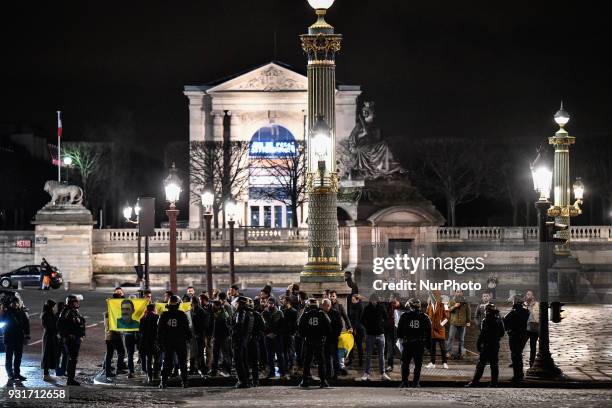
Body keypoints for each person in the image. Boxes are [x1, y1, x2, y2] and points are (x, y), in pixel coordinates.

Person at [467, 304, 505, 387]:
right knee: (494, 365)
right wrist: (496, 338)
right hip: (495, 344)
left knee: (481, 364)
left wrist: (479, 343)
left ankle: (475, 382)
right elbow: (502, 332)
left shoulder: (485, 320)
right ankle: (494, 383)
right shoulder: (499, 319)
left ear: (487, 311)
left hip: (486, 345)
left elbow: (483, 333)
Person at [158, 295, 191, 388]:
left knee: (167, 362)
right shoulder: (182, 314)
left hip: (168, 342)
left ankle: (163, 382)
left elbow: (160, 330)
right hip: (180, 342)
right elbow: (187, 329)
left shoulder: (164, 315)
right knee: (182, 363)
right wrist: (189, 338)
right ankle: (185, 382)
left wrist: (160, 342)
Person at [397, 298, 431, 388]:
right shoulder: (424, 317)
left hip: (408, 344)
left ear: (410, 306)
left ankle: (405, 382)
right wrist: (428, 346)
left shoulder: (404, 316)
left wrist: (401, 339)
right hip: (419, 344)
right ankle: (416, 383)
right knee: (418, 365)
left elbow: (399, 331)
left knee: (405, 364)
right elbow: (429, 332)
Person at [298, 298, 331, 388]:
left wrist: (304, 336)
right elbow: (328, 325)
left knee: (307, 362)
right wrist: (324, 336)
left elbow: (300, 326)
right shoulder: (322, 314)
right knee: (321, 361)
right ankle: (323, 381)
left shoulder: (305, 315)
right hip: (319, 341)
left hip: (308, 341)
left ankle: (305, 381)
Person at [360, 294, 391, 381]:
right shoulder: (367, 308)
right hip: (370, 334)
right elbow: (362, 320)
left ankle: (382, 373)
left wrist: (382, 326)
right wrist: (368, 327)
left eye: (375, 300)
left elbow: (387, 318)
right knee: (368, 355)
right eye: (372, 300)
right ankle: (366, 373)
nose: (374, 301)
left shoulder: (381, 307)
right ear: (370, 300)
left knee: (381, 355)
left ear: (377, 300)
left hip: (380, 334)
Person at [58, 294, 86, 386]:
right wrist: (68, 335)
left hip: (76, 338)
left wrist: (81, 334)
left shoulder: (74, 311)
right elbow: (60, 325)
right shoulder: (66, 312)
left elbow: (80, 323)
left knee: (74, 359)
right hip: (71, 340)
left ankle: (71, 378)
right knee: (72, 359)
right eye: (75, 302)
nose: (77, 303)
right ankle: (70, 379)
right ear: (70, 303)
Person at [1, 296, 30, 382]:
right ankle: (10, 374)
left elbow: (26, 324)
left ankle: (17, 373)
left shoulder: (21, 312)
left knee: (18, 357)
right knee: (9, 357)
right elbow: (1, 320)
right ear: (11, 304)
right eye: (13, 303)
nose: (15, 304)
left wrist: (27, 335)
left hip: (19, 338)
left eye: (16, 303)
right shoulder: (6, 312)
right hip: (9, 338)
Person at [504, 294, 530, 383]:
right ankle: (520, 374)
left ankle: (517, 376)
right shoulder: (525, 311)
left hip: (515, 335)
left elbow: (506, 321)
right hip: (523, 335)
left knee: (515, 355)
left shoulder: (514, 312)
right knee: (518, 354)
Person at [231, 296, 253, 388]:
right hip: (244, 340)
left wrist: (232, 330)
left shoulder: (241, 313)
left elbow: (238, 327)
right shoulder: (249, 312)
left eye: (237, 303)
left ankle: (242, 381)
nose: (235, 305)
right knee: (244, 361)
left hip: (239, 340)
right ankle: (247, 380)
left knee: (238, 361)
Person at [263, 297, 286, 378]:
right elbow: (263, 326)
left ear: (274, 304)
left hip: (277, 337)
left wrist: (275, 333)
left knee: (280, 355)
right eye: (269, 303)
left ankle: (282, 372)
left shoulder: (280, 313)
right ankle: (271, 372)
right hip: (268, 337)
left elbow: (282, 326)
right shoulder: (264, 313)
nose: (270, 305)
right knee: (269, 356)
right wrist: (267, 333)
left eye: (272, 303)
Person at [425, 290, 448, 369]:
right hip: (432, 329)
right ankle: (432, 363)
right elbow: (427, 316)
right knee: (432, 347)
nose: (432, 297)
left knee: (442, 347)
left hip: (440, 329)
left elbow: (447, 317)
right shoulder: (429, 305)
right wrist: (428, 324)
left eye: (433, 295)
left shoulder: (444, 305)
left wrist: (441, 324)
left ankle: (445, 363)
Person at [322, 298, 342, 381]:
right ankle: (328, 374)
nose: (322, 306)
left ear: (328, 305)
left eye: (323, 305)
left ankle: (336, 374)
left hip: (333, 338)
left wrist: (335, 335)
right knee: (327, 357)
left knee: (335, 357)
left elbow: (339, 326)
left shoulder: (335, 313)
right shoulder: (322, 313)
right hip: (325, 339)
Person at [446, 290, 471, 359]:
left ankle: (461, 353)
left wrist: (468, 321)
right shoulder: (451, 301)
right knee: (451, 338)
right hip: (454, 322)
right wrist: (454, 306)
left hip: (463, 323)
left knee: (461, 339)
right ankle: (448, 352)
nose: (459, 293)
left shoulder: (465, 302)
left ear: (462, 293)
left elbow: (468, 311)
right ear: (455, 293)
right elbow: (448, 310)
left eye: (460, 292)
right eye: (457, 292)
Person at [139, 303, 160, 383]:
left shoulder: (143, 318)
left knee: (149, 359)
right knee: (157, 358)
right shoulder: (157, 317)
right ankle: (156, 374)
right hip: (155, 341)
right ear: (154, 309)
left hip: (146, 342)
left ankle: (149, 376)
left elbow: (140, 331)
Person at [210, 299, 231, 376]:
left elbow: (227, 325)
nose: (212, 306)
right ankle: (214, 371)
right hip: (216, 337)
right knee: (215, 355)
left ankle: (227, 370)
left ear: (218, 306)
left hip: (223, 337)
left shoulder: (223, 314)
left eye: (214, 305)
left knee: (225, 354)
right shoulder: (215, 313)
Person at [247, 297, 265, 387]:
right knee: (253, 363)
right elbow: (263, 328)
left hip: (250, 341)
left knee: (250, 362)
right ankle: (255, 380)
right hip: (253, 341)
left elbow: (262, 328)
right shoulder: (257, 314)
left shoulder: (251, 314)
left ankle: (251, 380)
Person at [279, 295, 298, 375]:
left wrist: (293, 333)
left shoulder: (294, 311)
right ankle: (285, 368)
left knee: (290, 352)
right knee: (284, 352)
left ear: (288, 301)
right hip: (283, 335)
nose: (283, 301)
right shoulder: (282, 311)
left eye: (284, 300)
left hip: (290, 335)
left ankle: (291, 367)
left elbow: (295, 324)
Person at [41, 299, 58, 381]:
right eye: (53, 306)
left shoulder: (50, 314)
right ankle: (45, 374)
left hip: (51, 336)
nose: (54, 308)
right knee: (46, 354)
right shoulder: (46, 315)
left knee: (50, 354)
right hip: (48, 336)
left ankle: (47, 373)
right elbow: (49, 326)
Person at [384, 294, 401, 373]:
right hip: (389, 330)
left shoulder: (401, 307)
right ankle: (390, 365)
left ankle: (403, 364)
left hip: (398, 331)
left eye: (391, 298)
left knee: (399, 348)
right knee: (390, 349)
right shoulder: (388, 306)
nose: (390, 299)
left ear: (396, 299)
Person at [347, 294, 365, 368]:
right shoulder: (352, 306)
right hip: (352, 328)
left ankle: (361, 362)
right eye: (352, 299)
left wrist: (355, 329)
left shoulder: (360, 306)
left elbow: (359, 319)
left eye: (353, 299)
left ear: (357, 299)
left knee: (359, 345)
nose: (352, 300)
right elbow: (351, 318)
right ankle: (350, 361)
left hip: (358, 329)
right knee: (350, 345)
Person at [525, 290, 540, 368]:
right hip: (525, 328)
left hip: (534, 328)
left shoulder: (537, 305)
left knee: (533, 346)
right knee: (520, 345)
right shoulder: (523, 305)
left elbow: (540, 317)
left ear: (533, 296)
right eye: (526, 294)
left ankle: (532, 362)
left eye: (529, 294)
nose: (527, 296)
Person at [55, 301, 68, 377]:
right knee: (60, 354)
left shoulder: (60, 315)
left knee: (63, 354)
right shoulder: (59, 316)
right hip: (59, 338)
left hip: (62, 337)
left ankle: (61, 370)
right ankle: (59, 370)